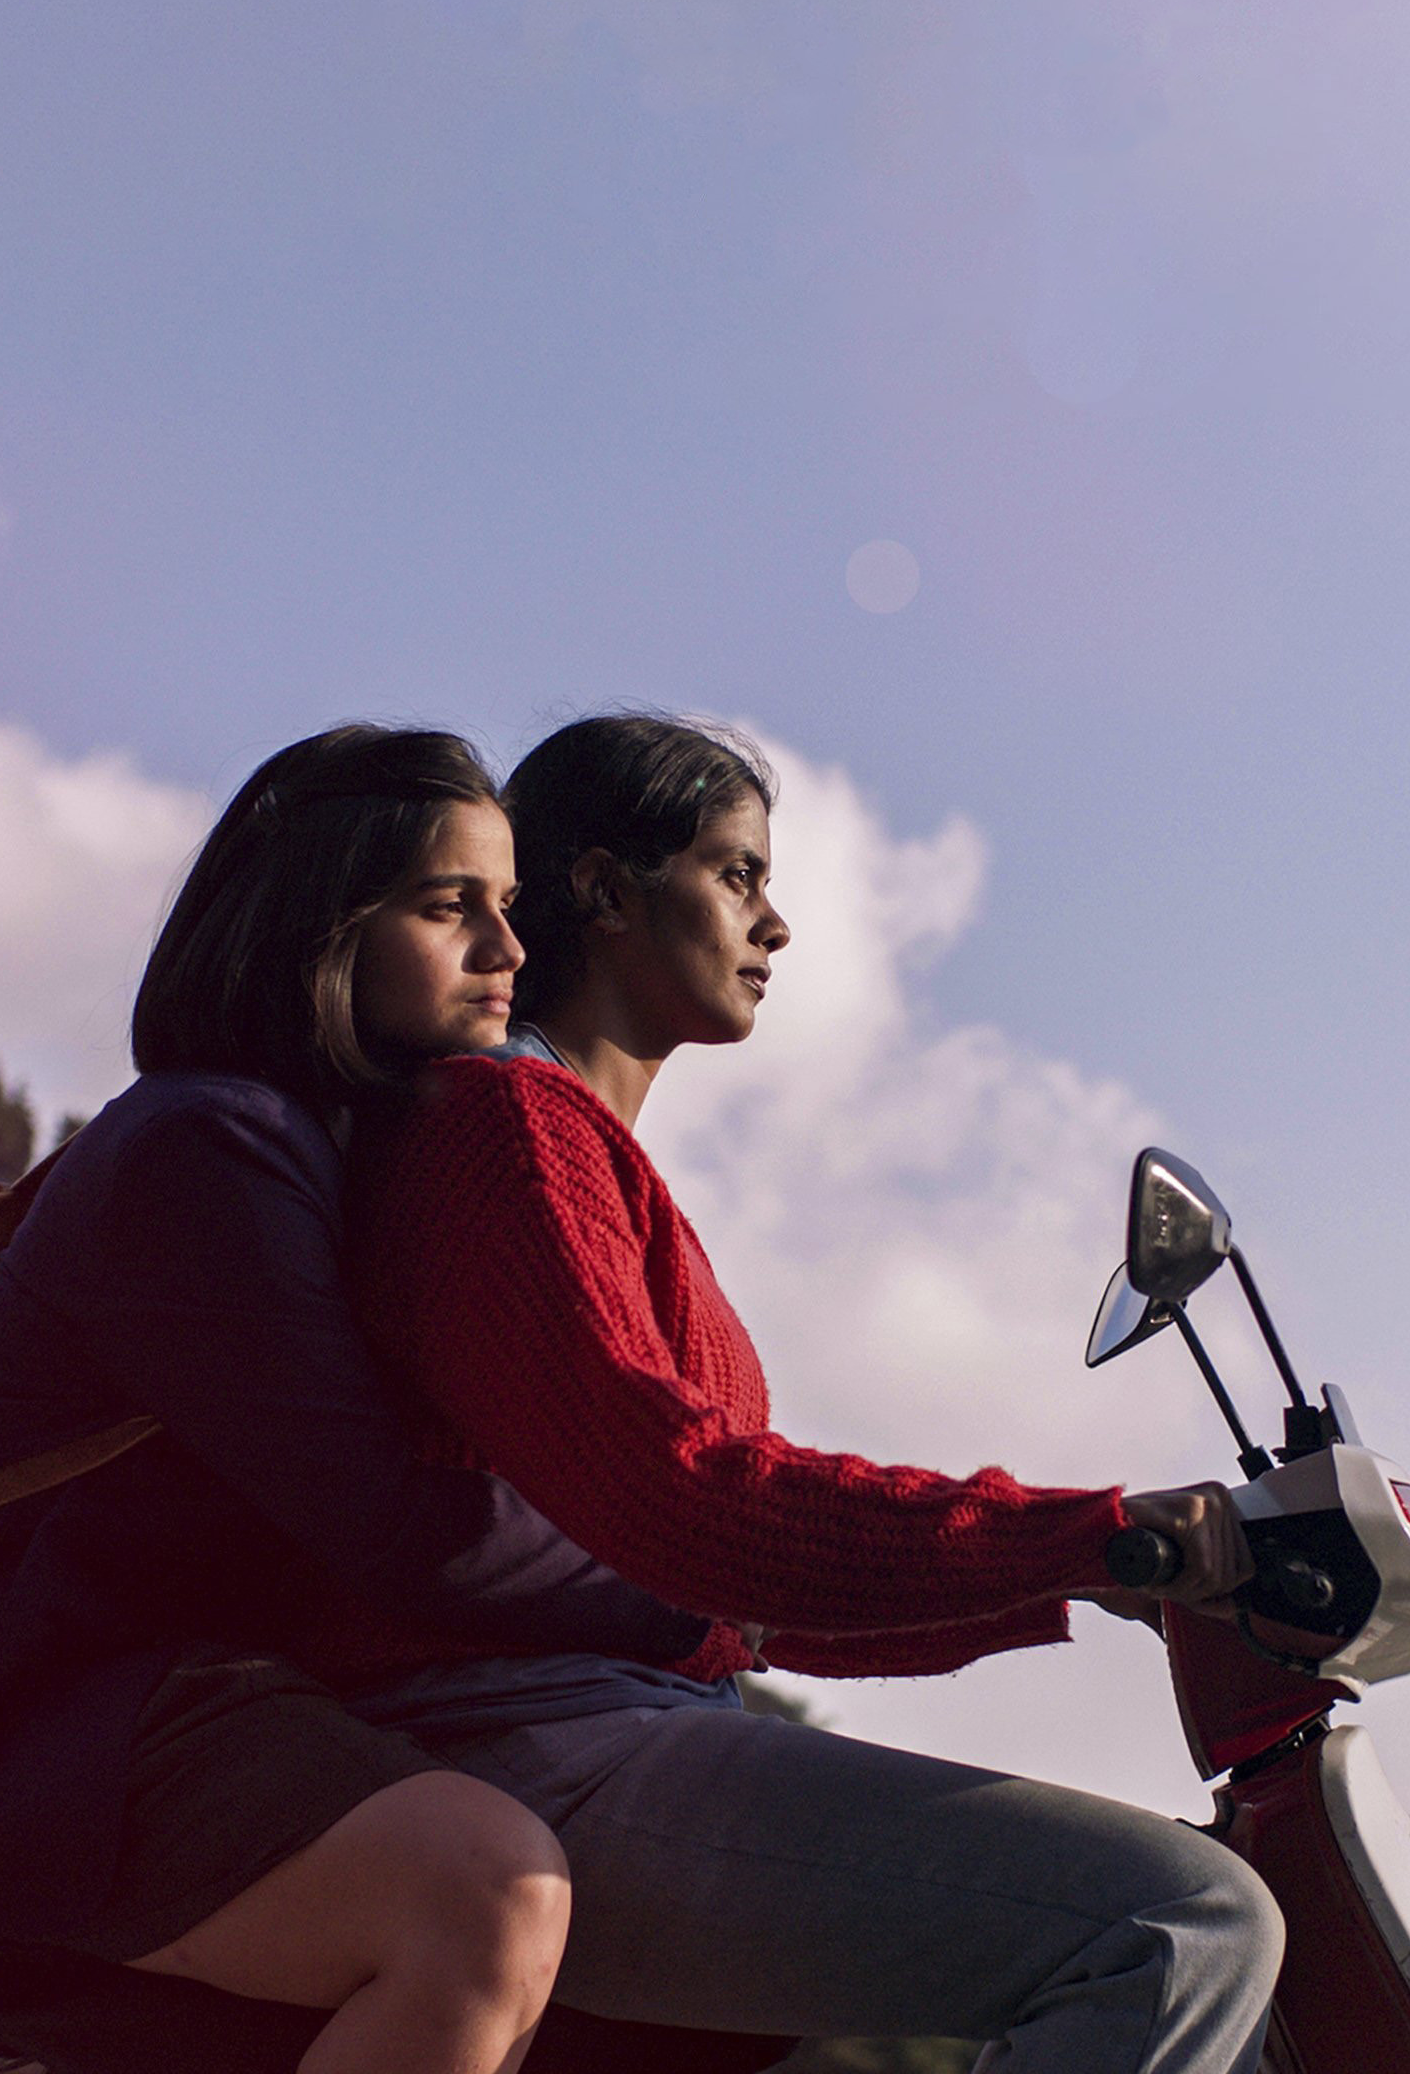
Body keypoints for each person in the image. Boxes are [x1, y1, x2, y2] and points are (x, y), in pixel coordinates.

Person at [0, 727, 764, 2074]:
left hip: (137, 1706)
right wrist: (694, 1584)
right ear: (321, 927)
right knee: (481, 1896)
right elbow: (388, 1521)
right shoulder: (208, 1145)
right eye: (449, 906)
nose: (508, 950)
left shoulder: (331, 1151)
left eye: (508, 906)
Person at [344, 713, 1287, 2074]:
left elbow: (732, 1595)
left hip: (623, 1726)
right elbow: (686, 1505)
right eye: (736, 876)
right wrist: (1078, 1534)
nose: (775, 925)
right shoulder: (508, 1127)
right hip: (533, 1744)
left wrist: (1092, 1574)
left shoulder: (586, 1158)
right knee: (1185, 1926)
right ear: (604, 890)